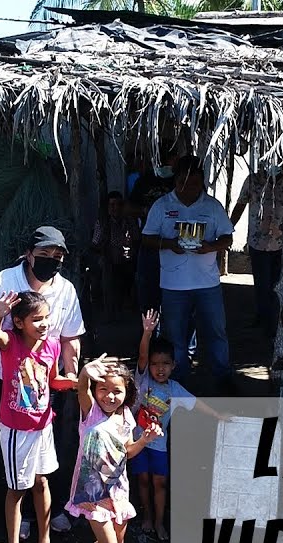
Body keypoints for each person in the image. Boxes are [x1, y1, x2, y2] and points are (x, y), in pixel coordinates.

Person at [64, 355, 160, 543]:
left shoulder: (126, 416)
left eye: (116, 390)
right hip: (93, 494)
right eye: (103, 389)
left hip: (119, 490)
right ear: (95, 390)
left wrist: (145, 440)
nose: (110, 395)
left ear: (126, 391)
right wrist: (84, 374)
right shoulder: (90, 411)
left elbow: (127, 451)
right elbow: (81, 389)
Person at [0, 290, 78, 543]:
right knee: (17, 490)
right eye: (36, 319)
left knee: (41, 482)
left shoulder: (51, 345)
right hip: (16, 430)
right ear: (19, 321)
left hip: (43, 426)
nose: (44, 324)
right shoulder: (10, 342)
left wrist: (79, 380)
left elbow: (52, 380)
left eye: (47, 318)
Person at [141, 155, 237, 393]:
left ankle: (223, 378)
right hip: (173, 285)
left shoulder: (212, 207)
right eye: (183, 181)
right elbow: (146, 238)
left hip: (207, 283)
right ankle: (178, 381)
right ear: (175, 180)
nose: (188, 187)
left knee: (216, 331)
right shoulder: (162, 205)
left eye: (194, 182)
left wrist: (211, 246)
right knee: (175, 337)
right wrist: (169, 244)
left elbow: (228, 237)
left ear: (202, 181)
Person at [131, 309, 225, 540]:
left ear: (174, 365)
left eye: (165, 364)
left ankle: (160, 522)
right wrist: (147, 333)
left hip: (159, 446)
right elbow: (142, 356)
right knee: (143, 480)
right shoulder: (142, 380)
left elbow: (196, 403)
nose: (159, 368)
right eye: (155, 364)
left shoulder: (174, 388)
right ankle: (147, 517)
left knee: (160, 483)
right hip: (138, 442)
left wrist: (218, 416)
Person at [0, 226, 84, 382]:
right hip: (2, 374)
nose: (50, 260)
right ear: (29, 255)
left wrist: (71, 375)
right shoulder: (3, 282)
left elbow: (70, 337)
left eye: (57, 257)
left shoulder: (66, 290)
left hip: (46, 377)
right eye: (43, 254)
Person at [230, 166, 283, 338]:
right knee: (262, 284)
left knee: (278, 285)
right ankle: (263, 318)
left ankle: (276, 321)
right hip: (258, 242)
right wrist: (228, 226)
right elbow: (240, 204)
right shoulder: (252, 180)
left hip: (282, 242)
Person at [128, 150, 178, 315]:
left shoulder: (179, 182)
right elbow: (128, 207)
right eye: (162, 159)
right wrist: (145, 210)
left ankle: (171, 336)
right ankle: (149, 335)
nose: (165, 163)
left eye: (169, 159)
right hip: (150, 244)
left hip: (176, 247)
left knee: (175, 296)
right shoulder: (145, 181)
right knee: (149, 294)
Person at [91, 191, 138, 321]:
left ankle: (126, 315)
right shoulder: (102, 222)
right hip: (108, 261)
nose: (116, 208)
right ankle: (109, 316)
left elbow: (137, 239)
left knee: (129, 287)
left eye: (119, 204)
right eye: (112, 205)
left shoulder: (129, 221)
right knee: (106, 287)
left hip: (127, 261)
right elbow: (95, 244)